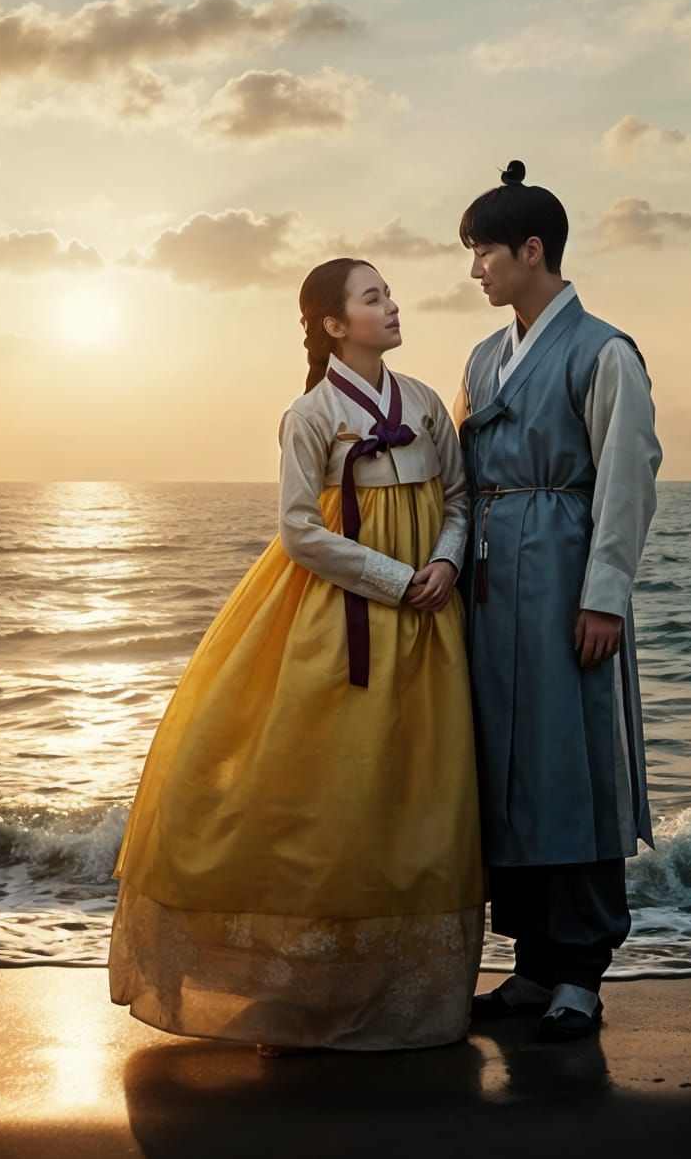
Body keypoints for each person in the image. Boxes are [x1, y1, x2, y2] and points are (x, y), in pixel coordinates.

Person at [109, 258, 483, 1052]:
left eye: (388, 294)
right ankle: (303, 986)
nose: (391, 306)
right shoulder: (309, 414)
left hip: (427, 620)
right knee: (327, 801)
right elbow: (299, 531)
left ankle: (402, 996)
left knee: (413, 797)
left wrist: (446, 565)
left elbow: (458, 498)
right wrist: (394, 578)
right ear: (334, 326)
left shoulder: (422, 402)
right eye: (372, 297)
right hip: (338, 614)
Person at [454, 161, 662, 1041]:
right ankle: (531, 963)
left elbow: (627, 475)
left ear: (532, 250)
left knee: (570, 766)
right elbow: (458, 475)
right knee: (506, 768)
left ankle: (581, 970)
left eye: (485, 253)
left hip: (566, 574)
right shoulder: (482, 357)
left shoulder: (603, 349)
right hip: (491, 585)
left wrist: (604, 597)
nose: (476, 272)